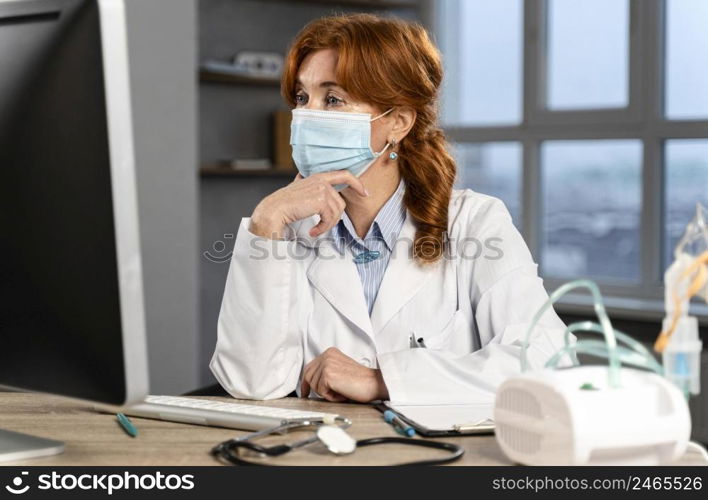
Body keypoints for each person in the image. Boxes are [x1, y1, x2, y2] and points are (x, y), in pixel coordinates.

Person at [210, 13, 568, 405]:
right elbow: (250, 383)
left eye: (333, 99)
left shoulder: (475, 222)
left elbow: (548, 361)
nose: (307, 116)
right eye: (301, 97)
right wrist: (266, 221)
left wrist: (383, 381)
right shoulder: (285, 230)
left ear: (398, 122)